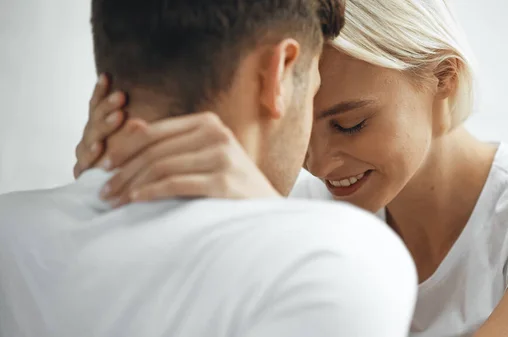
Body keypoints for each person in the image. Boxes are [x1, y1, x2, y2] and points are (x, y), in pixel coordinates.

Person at [76, 0, 508, 336]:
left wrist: (266, 219)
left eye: (350, 125)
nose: (321, 163)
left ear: (443, 78)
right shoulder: (307, 210)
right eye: (303, 128)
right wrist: (106, 190)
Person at [0, 1, 419, 337]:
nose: (318, 161)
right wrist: (271, 219)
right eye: (311, 93)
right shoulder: (341, 257)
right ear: (278, 73)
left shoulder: (12, 230)